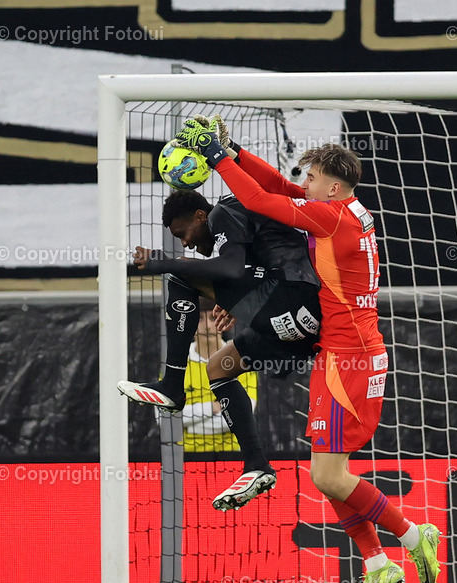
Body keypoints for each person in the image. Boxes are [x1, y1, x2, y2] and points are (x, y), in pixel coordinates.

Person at [175, 118, 440, 583]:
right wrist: (234, 150)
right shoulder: (345, 210)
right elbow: (277, 186)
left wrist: (215, 157)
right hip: (338, 353)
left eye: (312, 178)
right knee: (328, 474)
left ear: (332, 187)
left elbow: (260, 200)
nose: (304, 184)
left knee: (326, 473)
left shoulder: (332, 218)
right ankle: (377, 562)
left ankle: (411, 535)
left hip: (350, 359)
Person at [118, 189, 321, 511]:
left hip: (291, 298)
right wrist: (236, 301)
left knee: (181, 272)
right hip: (300, 329)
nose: (185, 242)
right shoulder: (242, 223)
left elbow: (230, 269)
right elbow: (245, 269)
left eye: (183, 233)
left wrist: (163, 261)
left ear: (201, 216)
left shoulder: (222, 211)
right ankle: (257, 465)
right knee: (219, 367)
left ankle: (172, 386)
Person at [181, 299, 258, 453]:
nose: (207, 326)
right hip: (185, 456)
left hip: (231, 455)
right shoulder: (178, 361)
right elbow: (164, 418)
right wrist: (211, 408)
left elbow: (243, 416)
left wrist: (190, 423)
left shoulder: (240, 358)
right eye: (199, 319)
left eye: (213, 318)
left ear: (224, 321)